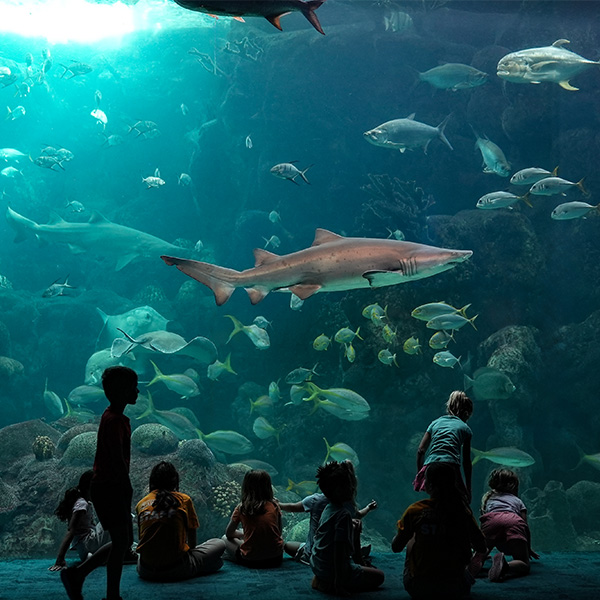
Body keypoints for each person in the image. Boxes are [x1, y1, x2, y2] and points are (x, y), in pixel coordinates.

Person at [61, 366, 138, 600]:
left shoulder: (112, 416)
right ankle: (110, 594)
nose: (137, 392)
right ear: (121, 391)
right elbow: (116, 459)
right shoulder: (114, 421)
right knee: (121, 542)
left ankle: (79, 575)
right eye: (133, 387)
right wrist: (126, 488)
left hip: (106, 486)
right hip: (111, 487)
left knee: (121, 542)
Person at [392, 462, 487, 600]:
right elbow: (481, 546)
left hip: (419, 588)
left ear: (428, 485)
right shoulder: (462, 511)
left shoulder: (415, 511)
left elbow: (396, 547)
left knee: (412, 537)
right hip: (456, 588)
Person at [136, 461, 225, 581]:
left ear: (152, 481)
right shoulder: (183, 500)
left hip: (145, 570)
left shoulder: (141, 504)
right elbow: (192, 538)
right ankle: (196, 566)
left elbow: (143, 537)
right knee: (220, 544)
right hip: (176, 568)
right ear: (175, 480)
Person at [309, 461, 385, 595]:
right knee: (379, 576)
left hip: (317, 564)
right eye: (348, 485)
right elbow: (338, 551)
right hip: (332, 569)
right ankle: (331, 583)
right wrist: (339, 582)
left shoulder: (328, 508)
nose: (352, 488)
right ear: (339, 490)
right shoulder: (343, 515)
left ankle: (322, 579)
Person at [471, 468, 539, 582]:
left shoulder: (488, 498)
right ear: (513, 486)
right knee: (524, 563)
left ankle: (477, 559)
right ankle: (505, 566)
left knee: (482, 552)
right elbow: (524, 525)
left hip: (492, 520)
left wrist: (479, 545)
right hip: (513, 521)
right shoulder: (517, 501)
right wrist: (528, 547)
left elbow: (484, 521)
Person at [279, 491, 377, 566]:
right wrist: (368, 508)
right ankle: (354, 552)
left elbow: (292, 507)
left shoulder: (314, 500)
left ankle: (309, 555)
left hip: (315, 553)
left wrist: (278, 504)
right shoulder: (346, 503)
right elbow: (358, 515)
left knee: (288, 545)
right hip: (337, 552)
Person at [414, 390, 473, 501]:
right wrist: (468, 489)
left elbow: (421, 450)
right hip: (450, 466)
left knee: (435, 498)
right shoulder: (466, 429)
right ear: (467, 413)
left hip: (431, 465)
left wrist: (419, 474)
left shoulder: (435, 423)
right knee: (459, 501)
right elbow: (466, 462)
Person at [50, 470, 111, 570]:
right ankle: (124, 551)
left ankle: (92, 557)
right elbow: (71, 530)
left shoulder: (83, 502)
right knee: (118, 517)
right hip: (89, 544)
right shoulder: (82, 504)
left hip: (84, 549)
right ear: (90, 487)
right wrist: (60, 559)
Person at [223, 469, 284, 568]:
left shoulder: (242, 507)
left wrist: (244, 533)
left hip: (251, 560)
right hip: (276, 558)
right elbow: (279, 532)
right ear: (268, 486)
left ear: (246, 486)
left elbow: (229, 533)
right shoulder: (274, 505)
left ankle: (234, 557)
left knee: (224, 539)